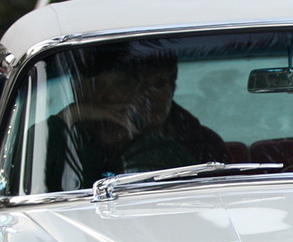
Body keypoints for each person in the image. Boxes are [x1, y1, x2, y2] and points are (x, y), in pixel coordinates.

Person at [43, 49, 233, 191]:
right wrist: (71, 116)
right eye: (133, 85)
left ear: (173, 88)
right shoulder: (78, 136)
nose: (147, 96)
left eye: (159, 84)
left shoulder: (203, 143)